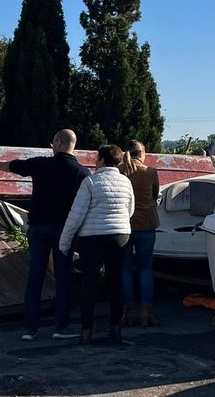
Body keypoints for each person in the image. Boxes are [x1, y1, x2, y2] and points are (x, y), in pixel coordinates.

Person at [0, 129, 88, 341]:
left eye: (53, 141)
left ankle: (30, 329)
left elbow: (16, 165)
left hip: (39, 228)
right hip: (64, 229)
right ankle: (61, 326)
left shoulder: (41, 164)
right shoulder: (81, 172)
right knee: (63, 278)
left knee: (35, 277)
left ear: (59, 142)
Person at [59, 144, 135, 344]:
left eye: (96, 157)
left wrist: (64, 243)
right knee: (115, 282)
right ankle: (115, 328)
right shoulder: (126, 182)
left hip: (92, 237)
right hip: (120, 236)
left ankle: (86, 331)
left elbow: (76, 215)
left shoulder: (90, 182)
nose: (94, 160)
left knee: (90, 283)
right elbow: (130, 209)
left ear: (101, 159)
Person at [120, 140, 161, 327]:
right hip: (147, 224)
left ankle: (127, 311)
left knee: (125, 269)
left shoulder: (119, 171)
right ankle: (146, 312)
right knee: (145, 268)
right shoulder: (150, 172)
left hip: (124, 225)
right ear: (142, 153)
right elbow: (154, 195)